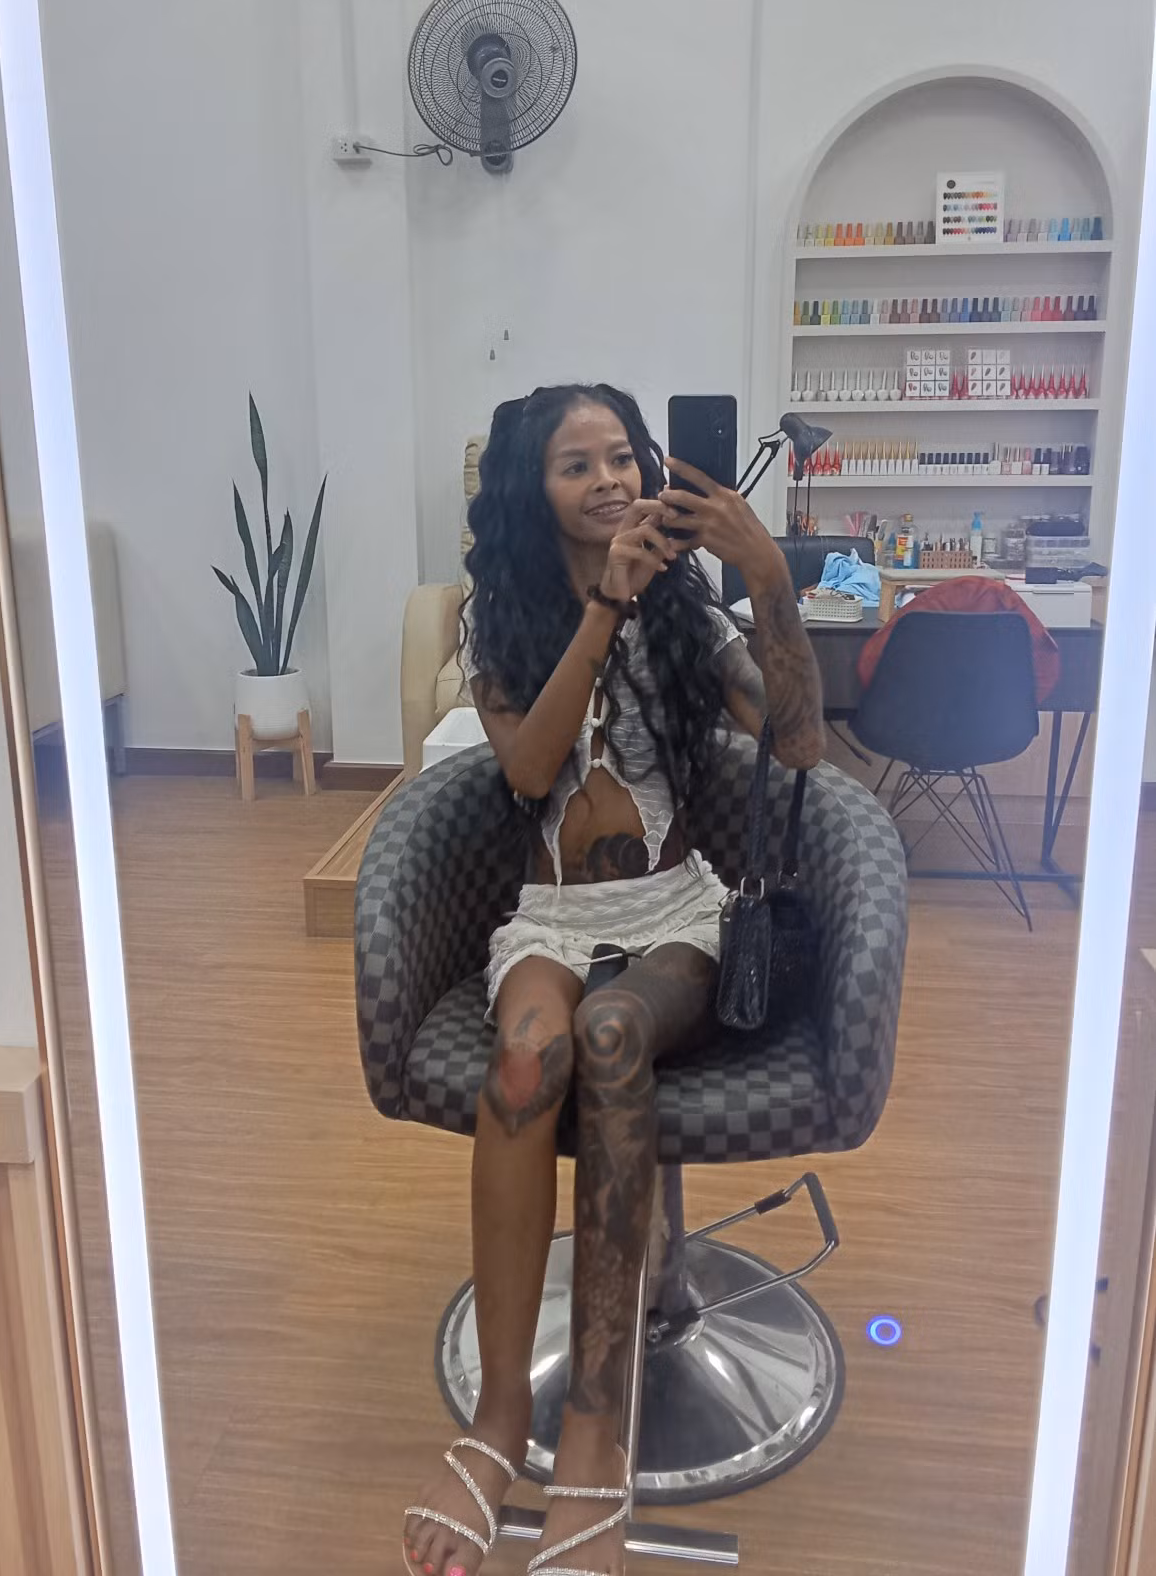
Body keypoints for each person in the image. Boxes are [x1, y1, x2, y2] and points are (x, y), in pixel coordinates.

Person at [403, 385, 824, 1576]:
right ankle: (499, 1424)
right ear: (530, 491)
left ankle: (596, 1432)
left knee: (611, 1035)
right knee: (523, 1061)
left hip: (675, 913)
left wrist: (767, 577)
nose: (610, 480)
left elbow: (799, 742)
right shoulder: (503, 621)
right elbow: (532, 770)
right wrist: (605, 605)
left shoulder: (693, 616)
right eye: (575, 464)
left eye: (622, 457)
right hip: (552, 914)